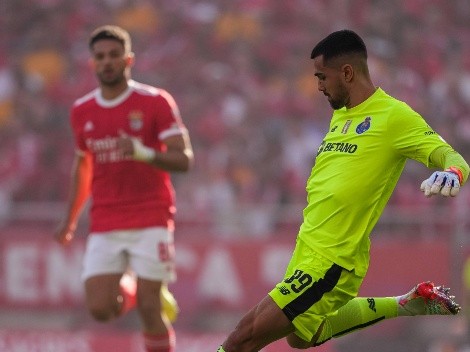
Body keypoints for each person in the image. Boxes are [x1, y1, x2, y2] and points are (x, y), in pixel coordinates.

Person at [217, 29, 469, 352]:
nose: (318, 86)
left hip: (332, 258)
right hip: (305, 249)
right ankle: (404, 304)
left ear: (347, 73)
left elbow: (452, 156)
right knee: (301, 336)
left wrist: (453, 173)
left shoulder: (394, 116)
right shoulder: (341, 114)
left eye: (322, 77)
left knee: (241, 338)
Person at [54, 25, 194, 352]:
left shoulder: (155, 101)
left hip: (151, 216)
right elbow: (84, 166)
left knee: (150, 309)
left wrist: (144, 153)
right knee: (100, 309)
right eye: (100, 57)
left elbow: (184, 159)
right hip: (106, 219)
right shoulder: (82, 111)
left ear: (128, 59)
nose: (107, 62)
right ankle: (135, 286)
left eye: (114, 56)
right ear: (92, 63)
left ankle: (151, 292)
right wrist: (70, 219)